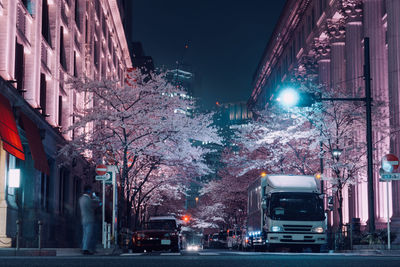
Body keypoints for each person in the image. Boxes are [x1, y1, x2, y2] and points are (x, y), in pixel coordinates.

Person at [79, 185, 98, 255]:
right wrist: (97, 200)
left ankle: (84, 247)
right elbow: (93, 206)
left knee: (85, 235)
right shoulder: (88, 199)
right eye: (91, 191)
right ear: (88, 191)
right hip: (89, 219)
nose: (91, 192)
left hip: (83, 219)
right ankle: (85, 249)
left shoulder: (81, 199)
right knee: (88, 234)